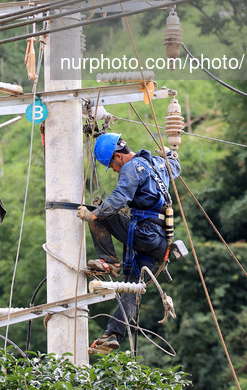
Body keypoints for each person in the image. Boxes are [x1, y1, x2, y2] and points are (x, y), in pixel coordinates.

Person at [77, 132, 181, 353]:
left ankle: (109, 262)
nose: (115, 170)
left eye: (112, 166)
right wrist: (171, 154)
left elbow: (120, 197)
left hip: (145, 234)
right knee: (132, 288)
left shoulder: (131, 167)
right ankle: (113, 334)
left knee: (100, 211)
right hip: (160, 243)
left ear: (117, 157)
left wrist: (94, 215)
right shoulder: (157, 163)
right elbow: (175, 168)